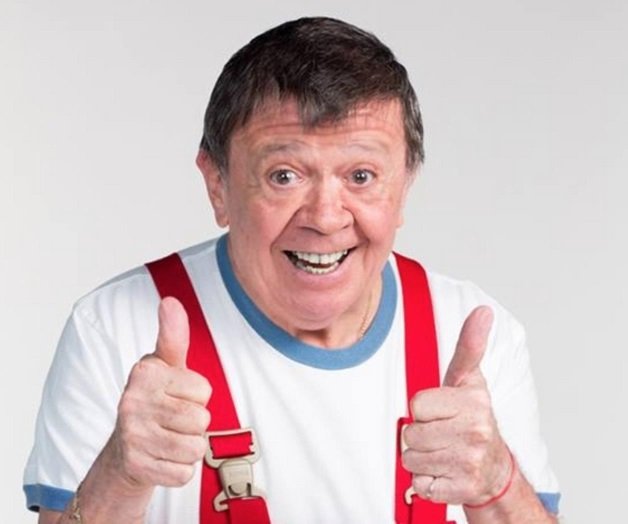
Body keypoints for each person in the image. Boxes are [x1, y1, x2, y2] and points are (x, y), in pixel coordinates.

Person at [24, 16, 560, 524]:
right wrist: (119, 475)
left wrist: (497, 482)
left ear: (404, 187)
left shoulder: (475, 337)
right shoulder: (114, 330)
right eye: (284, 175)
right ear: (218, 186)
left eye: (361, 176)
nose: (326, 218)